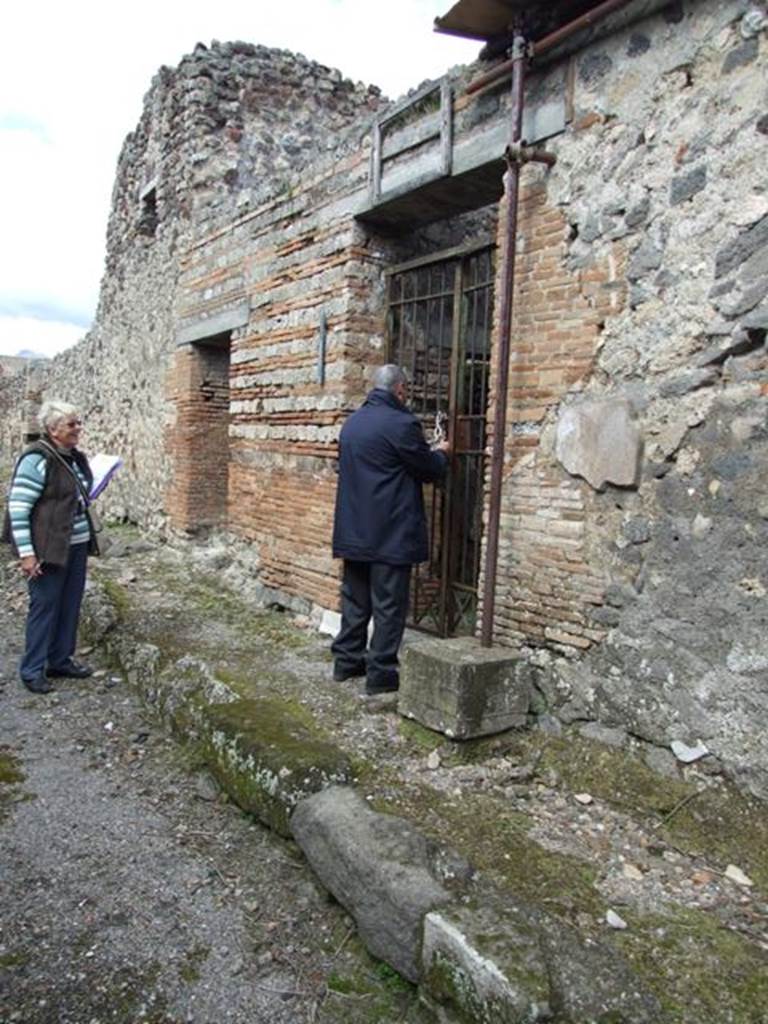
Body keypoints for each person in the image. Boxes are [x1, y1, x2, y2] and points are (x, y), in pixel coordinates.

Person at [331, 364, 451, 695]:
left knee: (355, 601)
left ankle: (346, 662)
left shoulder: (352, 424)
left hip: (354, 531)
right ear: (399, 390)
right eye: (406, 392)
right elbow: (426, 469)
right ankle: (381, 673)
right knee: (388, 605)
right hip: (389, 533)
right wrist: (441, 454)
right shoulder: (401, 423)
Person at [2, 400, 98, 694]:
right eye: (71, 424)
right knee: (44, 606)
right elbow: (18, 508)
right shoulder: (37, 459)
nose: (78, 428)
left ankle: (60, 660)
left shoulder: (71, 457)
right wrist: (27, 554)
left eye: (78, 422)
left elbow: (74, 496)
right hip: (48, 548)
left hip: (77, 544)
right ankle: (32, 670)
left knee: (70, 603)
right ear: (53, 429)